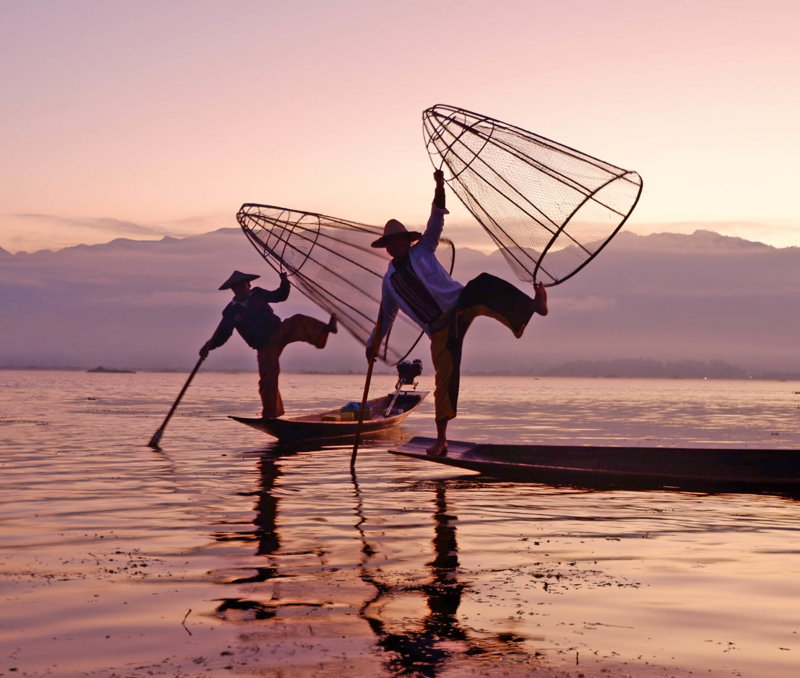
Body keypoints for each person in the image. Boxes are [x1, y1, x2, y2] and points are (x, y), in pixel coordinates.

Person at [367, 170, 548, 456]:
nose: (392, 247)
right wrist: (373, 345)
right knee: (445, 378)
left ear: (405, 240)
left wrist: (439, 186)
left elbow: (436, 217)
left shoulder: (422, 250)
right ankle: (441, 440)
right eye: (388, 245)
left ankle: (532, 306)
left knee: (484, 284)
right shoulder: (389, 281)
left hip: (460, 303)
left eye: (396, 242)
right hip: (439, 328)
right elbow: (385, 317)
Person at [200, 270, 337, 419]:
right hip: (264, 345)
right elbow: (222, 334)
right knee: (268, 378)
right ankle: (271, 414)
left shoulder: (257, 294)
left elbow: (279, 296)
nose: (242, 289)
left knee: (298, 321)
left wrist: (284, 282)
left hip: (279, 331)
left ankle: (324, 332)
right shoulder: (231, 311)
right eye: (238, 287)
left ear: (248, 285)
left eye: (244, 286)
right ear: (233, 289)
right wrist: (208, 346)